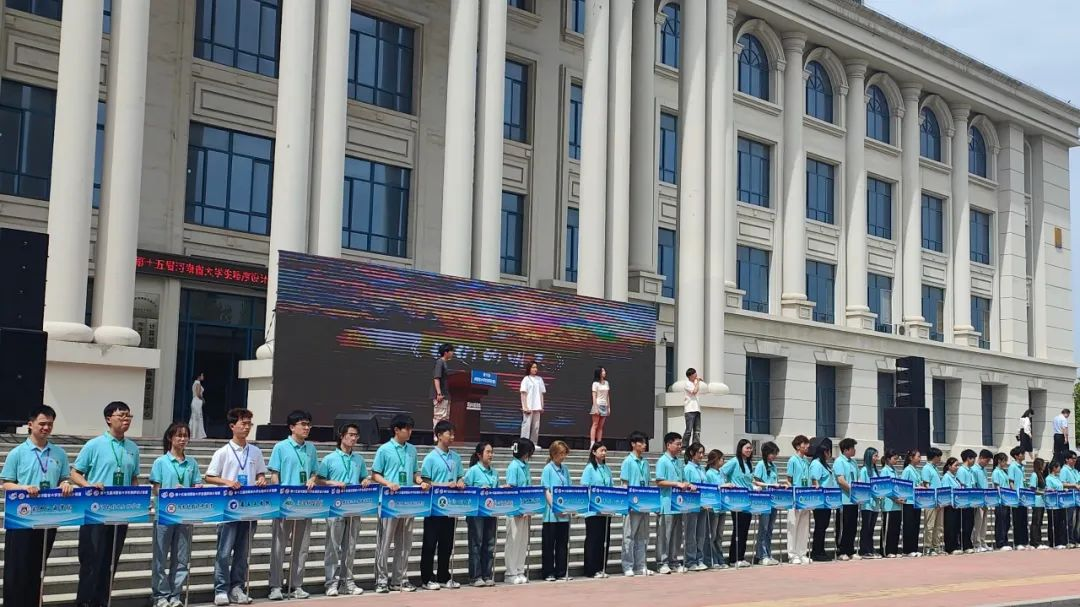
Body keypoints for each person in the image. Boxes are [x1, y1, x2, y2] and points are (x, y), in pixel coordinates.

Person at [0, 405, 74, 607]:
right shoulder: (17, 453)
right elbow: (6, 483)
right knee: (18, 568)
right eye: (42, 423)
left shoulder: (59, 453)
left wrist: (65, 484)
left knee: (38, 566)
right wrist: (23, 488)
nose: (46, 428)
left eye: (50, 424)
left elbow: (64, 478)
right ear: (30, 424)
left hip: (48, 516)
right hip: (22, 517)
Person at [70, 401, 141, 607]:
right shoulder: (94, 445)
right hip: (95, 511)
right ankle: (84, 601)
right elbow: (75, 473)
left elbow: (133, 478)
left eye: (129, 416)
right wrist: (89, 485)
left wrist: (136, 497)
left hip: (120, 512)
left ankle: (102, 601)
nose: (126, 419)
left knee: (110, 561)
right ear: (109, 419)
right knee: (91, 559)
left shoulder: (132, 448)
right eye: (121, 415)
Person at [204, 407, 268, 606]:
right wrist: (227, 482)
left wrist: (261, 479)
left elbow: (260, 473)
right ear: (232, 426)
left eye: (249, 424)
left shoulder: (255, 451)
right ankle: (221, 589)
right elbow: (209, 476)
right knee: (224, 552)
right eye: (243, 423)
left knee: (242, 552)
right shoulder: (223, 452)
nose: (247, 427)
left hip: (249, 508)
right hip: (228, 508)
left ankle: (237, 587)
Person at [371, 414, 429, 593]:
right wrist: (388, 483)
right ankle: (381, 580)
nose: (410, 432)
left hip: (407, 501)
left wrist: (420, 482)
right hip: (389, 501)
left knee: (404, 543)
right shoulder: (384, 449)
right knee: (384, 543)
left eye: (411, 429)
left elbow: (414, 473)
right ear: (396, 430)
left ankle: (400, 579)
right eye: (407, 429)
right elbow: (375, 474)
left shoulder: (412, 450)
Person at [266, 409, 319, 600]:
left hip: (304, 503)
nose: (306, 428)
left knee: (301, 547)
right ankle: (275, 585)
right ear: (291, 427)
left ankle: (296, 584)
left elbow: (314, 472)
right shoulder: (281, 447)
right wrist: (278, 494)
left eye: (308, 424)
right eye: (303, 424)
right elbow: (274, 474)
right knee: (279, 546)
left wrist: (312, 479)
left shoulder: (311, 449)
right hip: (285, 503)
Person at [150, 422, 202, 607]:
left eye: (185, 435)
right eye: (179, 435)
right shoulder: (161, 462)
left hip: (184, 515)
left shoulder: (192, 463)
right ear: (170, 438)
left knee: (181, 557)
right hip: (164, 515)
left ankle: (175, 594)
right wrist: (172, 491)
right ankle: (160, 595)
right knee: (160, 557)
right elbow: (156, 489)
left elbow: (196, 484)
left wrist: (196, 488)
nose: (182, 439)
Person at [317, 423, 370, 597]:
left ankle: (347, 582)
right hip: (335, 507)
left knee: (351, 546)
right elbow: (319, 480)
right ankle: (331, 583)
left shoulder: (359, 459)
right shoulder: (329, 459)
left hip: (354, 506)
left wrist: (365, 481)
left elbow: (364, 478)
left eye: (356, 435)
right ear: (342, 436)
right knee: (333, 546)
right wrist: (332, 483)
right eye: (351, 435)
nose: (354, 438)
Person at [420, 420, 465, 590]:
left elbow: (460, 476)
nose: (452, 437)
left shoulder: (456, 457)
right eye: (449, 434)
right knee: (430, 543)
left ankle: (443, 576)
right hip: (433, 507)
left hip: (451, 507)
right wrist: (444, 485)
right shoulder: (431, 458)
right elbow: (425, 482)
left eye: (453, 434)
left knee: (447, 543)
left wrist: (460, 482)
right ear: (439, 435)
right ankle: (427, 578)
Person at [464, 441, 498, 587]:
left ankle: (487, 574)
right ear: (479, 454)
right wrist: (479, 490)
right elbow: (465, 489)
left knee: (489, 544)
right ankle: (475, 576)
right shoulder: (473, 471)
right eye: (488, 452)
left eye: (492, 452)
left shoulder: (494, 472)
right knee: (476, 543)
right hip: (476, 513)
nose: (491, 455)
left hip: (490, 512)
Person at [655, 431, 691, 574]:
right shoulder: (663, 461)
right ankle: (662, 562)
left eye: (681, 444)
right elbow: (659, 481)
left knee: (676, 535)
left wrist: (687, 484)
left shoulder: (679, 462)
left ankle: (674, 561)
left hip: (678, 504)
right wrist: (676, 484)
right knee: (665, 535)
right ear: (668, 444)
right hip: (666, 503)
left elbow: (683, 480)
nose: (680, 447)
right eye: (677, 444)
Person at [619, 431, 652, 576]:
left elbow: (648, 483)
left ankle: (641, 565)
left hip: (644, 503)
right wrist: (626, 503)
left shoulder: (645, 462)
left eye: (645, 443)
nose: (644, 445)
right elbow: (624, 483)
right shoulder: (628, 461)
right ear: (633, 444)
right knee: (629, 535)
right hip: (632, 504)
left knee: (643, 536)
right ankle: (627, 565)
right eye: (641, 442)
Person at [581, 442, 614, 578]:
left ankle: (601, 567)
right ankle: (591, 569)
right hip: (593, 511)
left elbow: (611, 488)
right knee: (593, 540)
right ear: (594, 452)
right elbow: (585, 488)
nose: (604, 453)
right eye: (601, 450)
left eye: (605, 450)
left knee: (603, 540)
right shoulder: (589, 468)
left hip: (605, 510)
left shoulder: (607, 469)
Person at [504, 438, 535, 584]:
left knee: (522, 541)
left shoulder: (525, 466)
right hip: (515, 510)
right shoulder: (514, 466)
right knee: (513, 541)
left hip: (525, 509)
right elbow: (511, 488)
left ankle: (519, 569)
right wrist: (518, 508)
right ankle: (510, 572)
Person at [721, 439, 755, 567]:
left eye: (750, 448)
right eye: (747, 448)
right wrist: (728, 485)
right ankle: (733, 558)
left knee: (745, 529)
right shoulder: (734, 461)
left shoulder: (749, 463)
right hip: (736, 499)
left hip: (748, 499)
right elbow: (722, 471)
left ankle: (741, 556)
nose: (749, 450)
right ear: (740, 449)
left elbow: (749, 481)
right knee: (738, 529)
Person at [541, 440, 572, 581]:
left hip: (564, 514)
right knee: (549, 544)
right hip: (551, 514)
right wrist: (555, 506)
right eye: (560, 454)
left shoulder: (565, 469)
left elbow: (569, 489)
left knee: (562, 544)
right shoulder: (548, 469)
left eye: (564, 454)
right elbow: (546, 490)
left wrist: (569, 506)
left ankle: (561, 571)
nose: (563, 456)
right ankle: (548, 572)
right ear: (553, 454)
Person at [752, 441, 784, 566]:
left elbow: (776, 480)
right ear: (767, 453)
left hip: (774, 499)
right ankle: (761, 555)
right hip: (764, 500)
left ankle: (768, 553)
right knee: (763, 528)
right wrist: (769, 485)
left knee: (770, 528)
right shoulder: (761, 465)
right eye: (773, 453)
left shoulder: (773, 466)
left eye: (775, 454)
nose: (774, 456)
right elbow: (756, 481)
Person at [785, 435, 812, 564]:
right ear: (797, 446)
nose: (807, 446)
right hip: (796, 496)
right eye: (804, 444)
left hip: (806, 495)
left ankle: (802, 553)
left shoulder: (806, 461)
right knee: (793, 526)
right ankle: (792, 554)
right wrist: (792, 494)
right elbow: (788, 480)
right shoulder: (793, 460)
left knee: (804, 526)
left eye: (807, 444)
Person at [682, 442, 709, 571]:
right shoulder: (688, 468)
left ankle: (700, 558)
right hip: (691, 504)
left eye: (703, 453)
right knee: (691, 534)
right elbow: (685, 485)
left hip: (703, 505)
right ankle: (690, 560)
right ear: (692, 453)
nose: (702, 455)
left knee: (701, 534)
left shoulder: (702, 469)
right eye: (699, 453)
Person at [808, 437, 835, 562]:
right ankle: (816, 551)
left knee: (824, 525)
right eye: (829, 451)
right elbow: (815, 481)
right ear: (825, 452)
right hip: (820, 500)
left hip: (827, 500)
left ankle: (821, 550)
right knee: (820, 525)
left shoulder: (825, 464)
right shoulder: (816, 464)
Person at [833, 438, 860, 561]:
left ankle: (850, 550)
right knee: (843, 526)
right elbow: (841, 480)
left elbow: (858, 479)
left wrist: (859, 490)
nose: (854, 450)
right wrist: (852, 490)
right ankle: (841, 550)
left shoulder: (853, 462)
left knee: (852, 526)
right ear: (846, 449)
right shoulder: (839, 461)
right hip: (843, 499)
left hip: (853, 500)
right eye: (853, 448)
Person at [705, 449, 729, 569]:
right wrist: (723, 486)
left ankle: (720, 558)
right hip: (713, 508)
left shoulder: (721, 473)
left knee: (719, 536)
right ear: (715, 460)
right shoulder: (709, 473)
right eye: (721, 459)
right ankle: (711, 559)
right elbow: (710, 489)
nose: (723, 461)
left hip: (722, 507)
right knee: (712, 535)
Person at [857, 447, 882, 559]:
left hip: (875, 503)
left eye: (877, 456)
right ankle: (864, 549)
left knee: (871, 527)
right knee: (866, 527)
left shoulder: (875, 470)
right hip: (867, 503)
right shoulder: (864, 470)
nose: (877, 458)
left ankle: (870, 548)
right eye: (875, 456)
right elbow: (862, 486)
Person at [878, 450, 903, 558]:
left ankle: (893, 550)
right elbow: (885, 488)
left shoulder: (895, 471)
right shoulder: (885, 471)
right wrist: (894, 498)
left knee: (895, 529)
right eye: (895, 458)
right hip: (889, 504)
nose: (897, 460)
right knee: (888, 529)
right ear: (888, 459)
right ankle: (886, 550)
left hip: (897, 505)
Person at [921, 447, 944, 555]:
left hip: (939, 500)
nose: (940, 459)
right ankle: (928, 547)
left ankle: (936, 546)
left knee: (938, 526)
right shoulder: (926, 468)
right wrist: (934, 499)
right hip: (930, 500)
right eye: (939, 457)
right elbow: (927, 485)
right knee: (929, 526)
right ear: (934, 457)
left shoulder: (935, 468)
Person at [900, 450, 923, 557]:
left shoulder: (916, 470)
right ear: (911, 458)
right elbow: (903, 486)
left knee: (915, 526)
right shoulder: (907, 470)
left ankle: (914, 548)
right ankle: (907, 549)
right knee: (909, 526)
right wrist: (916, 488)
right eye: (918, 456)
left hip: (917, 501)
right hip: (908, 501)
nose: (920, 459)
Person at [1008, 446, 1031, 549]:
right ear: (1016, 456)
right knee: (1017, 520)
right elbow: (1011, 482)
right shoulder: (1013, 466)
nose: (1024, 455)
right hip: (1017, 497)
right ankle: (1018, 543)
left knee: (1024, 520)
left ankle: (1025, 541)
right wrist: (1014, 495)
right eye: (1022, 454)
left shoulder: (1022, 466)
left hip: (1024, 496)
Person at [972, 449, 994, 552]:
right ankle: (977, 543)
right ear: (980, 458)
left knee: (984, 522)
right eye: (986, 460)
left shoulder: (984, 470)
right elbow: (974, 485)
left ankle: (982, 540)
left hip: (986, 498)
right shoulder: (974, 470)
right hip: (978, 499)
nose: (987, 463)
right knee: (978, 522)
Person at [991, 451, 1013, 550]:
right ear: (999, 461)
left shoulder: (1004, 471)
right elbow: (997, 486)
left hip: (1007, 500)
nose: (1005, 463)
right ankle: (1000, 542)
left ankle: (1005, 540)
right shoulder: (996, 472)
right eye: (1004, 461)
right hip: (1000, 500)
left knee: (1007, 522)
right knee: (1001, 522)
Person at [940, 457, 962, 555]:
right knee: (950, 526)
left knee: (956, 526)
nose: (957, 467)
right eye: (955, 465)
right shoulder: (946, 477)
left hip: (957, 505)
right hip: (949, 505)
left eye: (958, 465)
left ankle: (955, 545)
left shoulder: (955, 478)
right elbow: (946, 492)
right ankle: (950, 547)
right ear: (949, 466)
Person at [520, 361, 546, 443]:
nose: (535, 369)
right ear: (529, 368)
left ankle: (533, 443)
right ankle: (524, 443)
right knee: (526, 426)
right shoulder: (526, 379)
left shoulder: (539, 379)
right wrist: (525, 407)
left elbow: (541, 394)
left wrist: (542, 406)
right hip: (528, 406)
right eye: (533, 367)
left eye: (536, 367)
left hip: (537, 407)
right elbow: (523, 393)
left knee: (536, 427)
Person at [956, 449, 977, 553]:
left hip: (971, 500)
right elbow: (962, 486)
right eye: (973, 459)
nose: (974, 461)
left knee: (970, 523)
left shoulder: (970, 470)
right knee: (965, 524)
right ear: (968, 458)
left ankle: (969, 543)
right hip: (965, 500)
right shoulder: (961, 470)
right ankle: (964, 544)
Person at [1045, 459, 1068, 549]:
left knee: (1061, 523)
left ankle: (1061, 541)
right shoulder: (1049, 478)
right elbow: (1049, 490)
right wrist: (1055, 491)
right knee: (1053, 523)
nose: (1060, 469)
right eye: (1059, 467)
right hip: (1053, 504)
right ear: (1054, 468)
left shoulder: (1058, 478)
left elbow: (1060, 487)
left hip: (1061, 504)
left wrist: (1063, 490)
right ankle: (1053, 542)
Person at [432, 344, 455, 427]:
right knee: (439, 417)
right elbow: (436, 378)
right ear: (446, 352)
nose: (453, 353)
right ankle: (437, 435)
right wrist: (439, 393)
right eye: (451, 351)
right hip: (441, 395)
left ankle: (443, 434)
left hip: (446, 395)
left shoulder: (445, 363)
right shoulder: (440, 362)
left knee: (445, 419)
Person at [1028, 457, 1047, 550]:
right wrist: (1042, 492)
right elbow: (1032, 489)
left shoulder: (1041, 475)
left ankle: (1039, 540)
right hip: (1036, 501)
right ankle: (1035, 541)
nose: (1044, 466)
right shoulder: (1034, 475)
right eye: (1043, 464)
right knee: (1036, 522)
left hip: (1041, 502)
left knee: (1039, 522)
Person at [590, 367, 611, 445]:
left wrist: (609, 407)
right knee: (595, 424)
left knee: (601, 426)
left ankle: (599, 443)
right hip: (597, 404)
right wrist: (595, 407)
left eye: (604, 371)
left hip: (604, 405)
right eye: (603, 371)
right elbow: (594, 396)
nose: (604, 372)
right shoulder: (595, 383)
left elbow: (607, 396)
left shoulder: (606, 383)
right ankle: (592, 443)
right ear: (599, 373)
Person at [682, 368, 702, 445]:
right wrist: (698, 382)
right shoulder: (687, 384)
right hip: (690, 410)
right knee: (689, 430)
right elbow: (694, 391)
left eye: (696, 373)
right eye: (694, 374)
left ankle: (695, 446)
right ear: (690, 376)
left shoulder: (695, 383)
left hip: (697, 409)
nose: (696, 375)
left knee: (697, 430)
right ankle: (684, 446)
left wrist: (697, 382)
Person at [190, 372, 207, 440]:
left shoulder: (194, 383)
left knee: (195, 417)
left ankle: (194, 433)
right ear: (199, 376)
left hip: (195, 401)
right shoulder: (198, 383)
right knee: (197, 417)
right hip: (197, 401)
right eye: (202, 375)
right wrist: (203, 399)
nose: (203, 377)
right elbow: (198, 393)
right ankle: (196, 434)